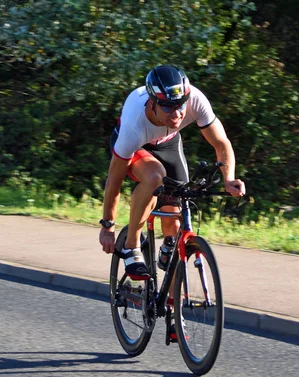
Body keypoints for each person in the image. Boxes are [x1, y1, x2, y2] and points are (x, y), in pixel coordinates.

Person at [99, 65, 246, 281]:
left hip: (168, 143)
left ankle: (170, 296)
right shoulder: (134, 125)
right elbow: (114, 180)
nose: (176, 114)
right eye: (167, 108)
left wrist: (229, 178)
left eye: (180, 106)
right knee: (154, 176)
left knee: (176, 214)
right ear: (152, 103)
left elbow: (221, 142)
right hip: (138, 146)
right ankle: (132, 247)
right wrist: (107, 225)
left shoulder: (195, 99)